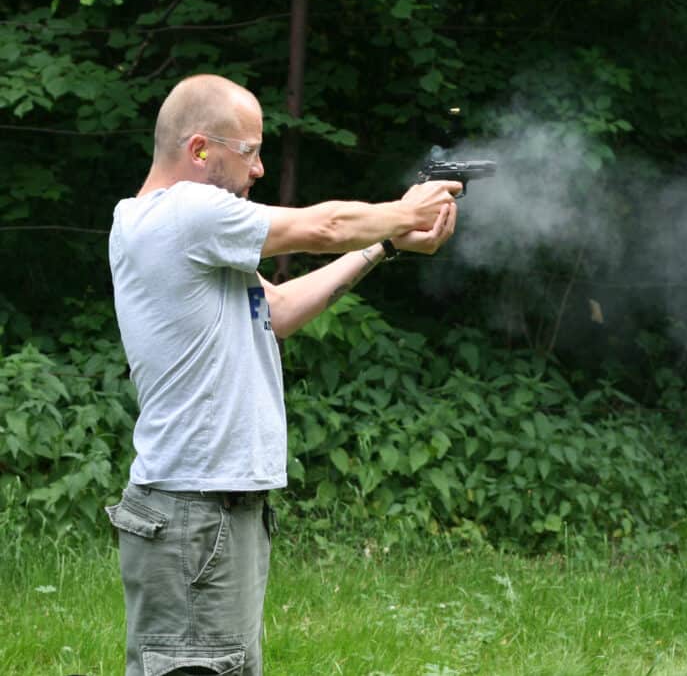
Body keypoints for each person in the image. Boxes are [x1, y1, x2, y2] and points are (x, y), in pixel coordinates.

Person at [104, 73, 462, 676]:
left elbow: (278, 310)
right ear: (199, 150)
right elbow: (322, 227)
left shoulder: (188, 234)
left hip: (209, 511)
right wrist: (403, 211)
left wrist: (386, 243)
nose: (260, 169)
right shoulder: (185, 212)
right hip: (196, 512)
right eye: (250, 151)